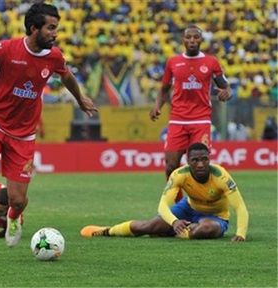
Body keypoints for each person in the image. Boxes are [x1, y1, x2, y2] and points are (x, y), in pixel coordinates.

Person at [0, 3, 98, 261]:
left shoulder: (54, 57)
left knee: (18, 199)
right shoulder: (4, 49)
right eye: (51, 28)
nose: (55, 33)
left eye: (57, 28)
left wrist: (80, 98)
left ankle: (14, 216)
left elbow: (67, 76)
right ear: (34, 28)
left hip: (23, 136)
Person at [81, 143, 249, 242]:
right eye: (195, 160)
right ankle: (107, 230)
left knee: (205, 230)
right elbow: (163, 205)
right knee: (149, 227)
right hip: (187, 209)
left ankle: (171, 231)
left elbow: (240, 207)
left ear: (209, 159)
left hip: (215, 216)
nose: (200, 164)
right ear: (188, 161)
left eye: (204, 159)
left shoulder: (221, 176)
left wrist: (240, 233)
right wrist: (175, 221)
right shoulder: (179, 175)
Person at [149, 25, 232, 203]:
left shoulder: (211, 62)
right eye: (189, 37)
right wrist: (158, 106)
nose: (192, 40)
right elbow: (164, 89)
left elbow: (225, 85)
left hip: (201, 120)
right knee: (170, 165)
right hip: (177, 120)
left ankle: (201, 203)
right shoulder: (173, 62)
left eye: (196, 37)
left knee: (199, 165)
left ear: (201, 40)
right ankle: (179, 205)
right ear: (183, 40)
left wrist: (227, 92)